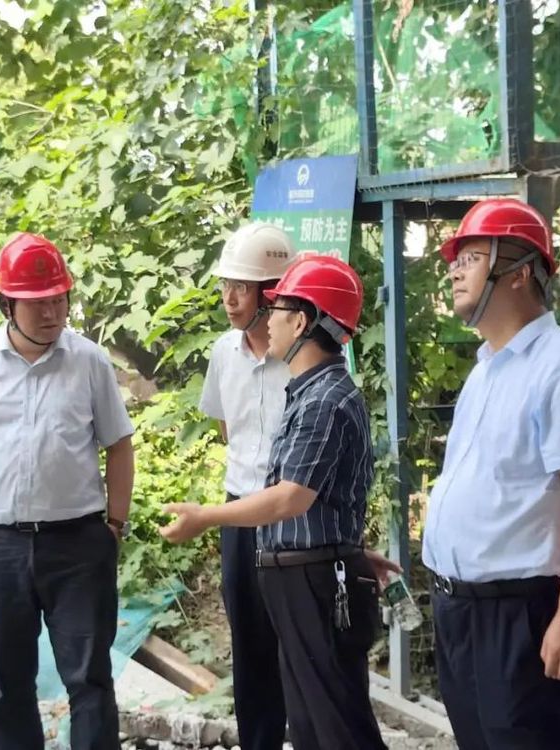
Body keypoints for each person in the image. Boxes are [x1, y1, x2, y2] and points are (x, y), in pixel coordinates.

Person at [162, 254, 391, 750]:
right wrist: (346, 549)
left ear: (302, 322)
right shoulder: (308, 392)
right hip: (304, 571)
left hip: (313, 580)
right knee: (310, 722)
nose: (269, 319)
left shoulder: (323, 400)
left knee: (336, 726)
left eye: (279, 308)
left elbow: (290, 497)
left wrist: (205, 517)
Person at [421, 199, 560, 749]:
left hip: (519, 613)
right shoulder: (486, 368)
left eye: (471, 258)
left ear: (520, 272)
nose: (455, 271)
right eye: (455, 260)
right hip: (460, 609)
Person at [0, 232, 135, 750]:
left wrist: (114, 525)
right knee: (7, 687)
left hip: (78, 545)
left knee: (89, 681)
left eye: (59, 300)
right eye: (37, 302)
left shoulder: (90, 362)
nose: (51, 312)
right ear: (7, 304)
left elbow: (119, 445)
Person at [198, 222, 295, 750]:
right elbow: (226, 427)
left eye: (242, 286)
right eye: (225, 285)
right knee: (249, 643)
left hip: (295, 516)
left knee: (299, 643)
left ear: (272, 292)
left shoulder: (305, 356)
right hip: (239, 514)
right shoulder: (222, 352)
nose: (230, 298)